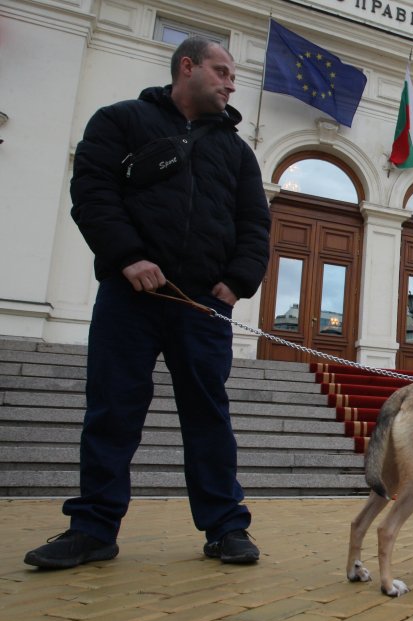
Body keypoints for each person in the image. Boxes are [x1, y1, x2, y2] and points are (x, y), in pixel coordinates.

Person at [24, 37, 271, 568]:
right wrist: (128, 257)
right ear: (188, 67)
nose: (231, 83)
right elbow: (93, 193)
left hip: (202, 307)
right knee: (112, 412)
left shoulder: (237, 151)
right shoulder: (121, 121)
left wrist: (235, 284)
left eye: (233, 76)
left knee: (209, 418)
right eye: (222, 71)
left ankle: (227, 528)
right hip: (128, 298)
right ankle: (92, 529)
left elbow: (255, 225)